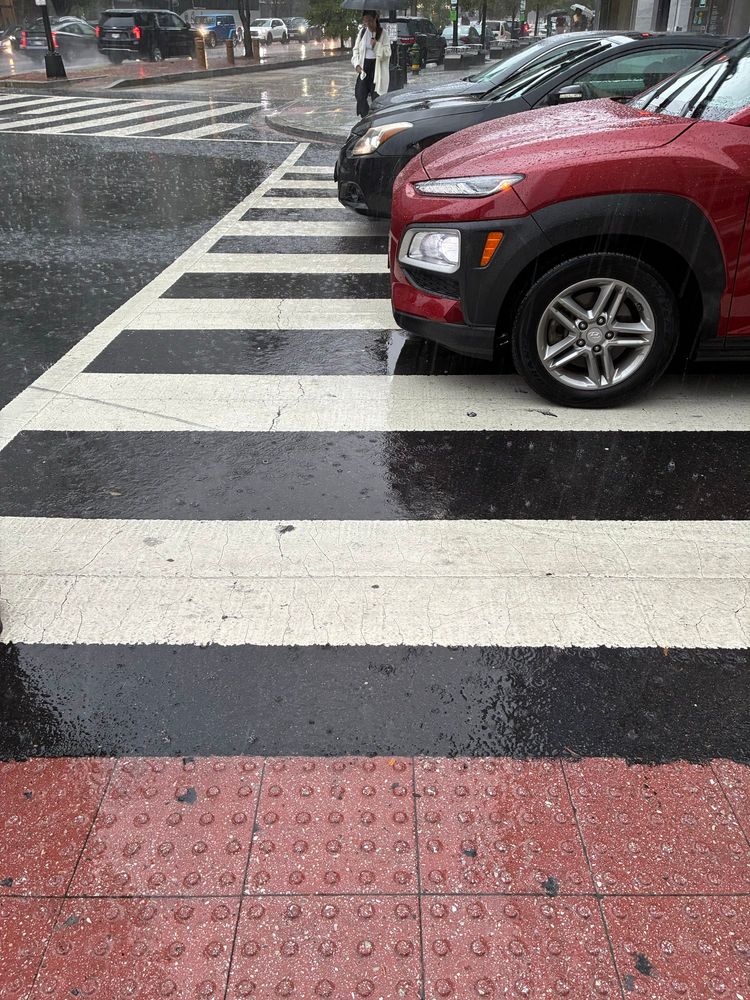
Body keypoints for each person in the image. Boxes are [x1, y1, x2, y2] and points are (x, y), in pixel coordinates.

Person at [352, 10, 391, 119]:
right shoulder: (362, 32)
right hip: (364, 67)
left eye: (370, 21)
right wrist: (357, 64)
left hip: (377, 69)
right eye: (365, 21)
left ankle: (376, 119)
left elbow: (388, 53)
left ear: (375, 19)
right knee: (359, 95)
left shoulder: (383, 34)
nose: (368, 24)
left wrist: (376, 45)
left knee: (377, 98)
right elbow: (356, 50)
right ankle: (366, 118)